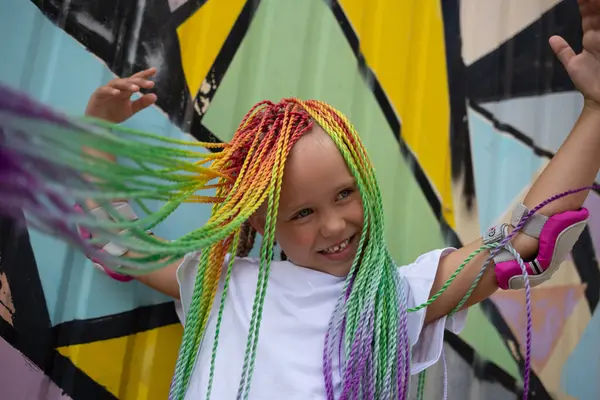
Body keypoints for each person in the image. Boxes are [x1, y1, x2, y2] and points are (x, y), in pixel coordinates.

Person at [3, 2, 600, 399]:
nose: (337, 224)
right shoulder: (219, 285)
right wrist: (96, 134)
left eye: (345, 195)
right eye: (303, 212)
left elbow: (527, 242)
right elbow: (115, 243)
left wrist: (596, 111)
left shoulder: (399, 297)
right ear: (262, 219)